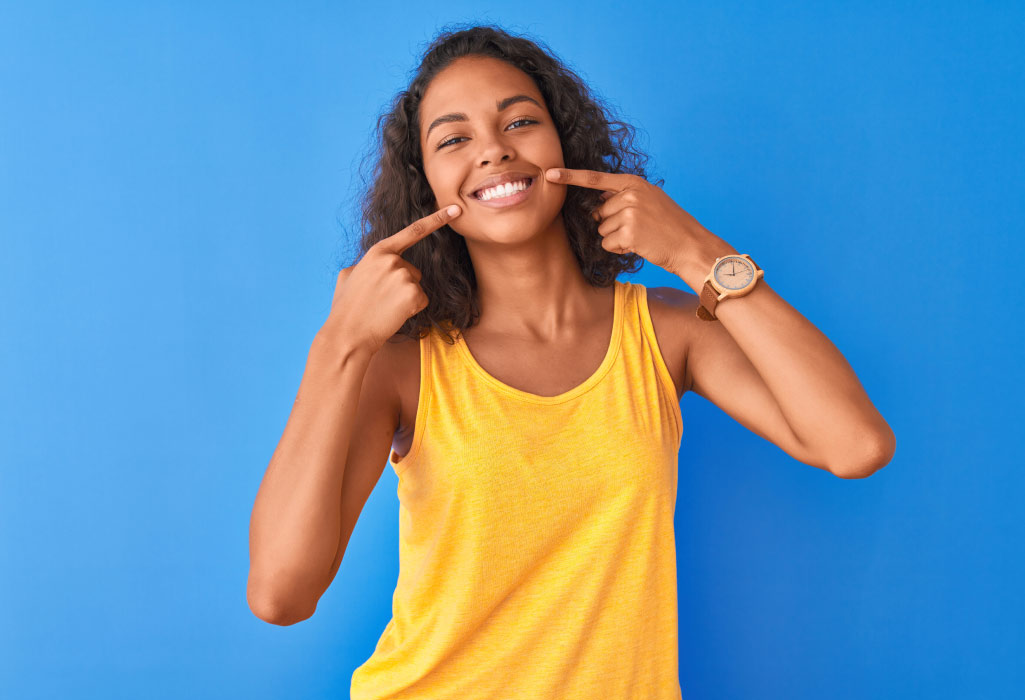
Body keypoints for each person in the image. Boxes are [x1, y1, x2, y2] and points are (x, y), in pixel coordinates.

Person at [247, 23, 896, 699]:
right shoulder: (402, 365)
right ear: (425, 186)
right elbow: (280, 595)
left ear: (566, 143)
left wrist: (698, 255)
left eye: (519, 121)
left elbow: (854, 445)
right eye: (453, 138)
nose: (494, 151)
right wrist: (338, 346)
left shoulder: (666, 332)